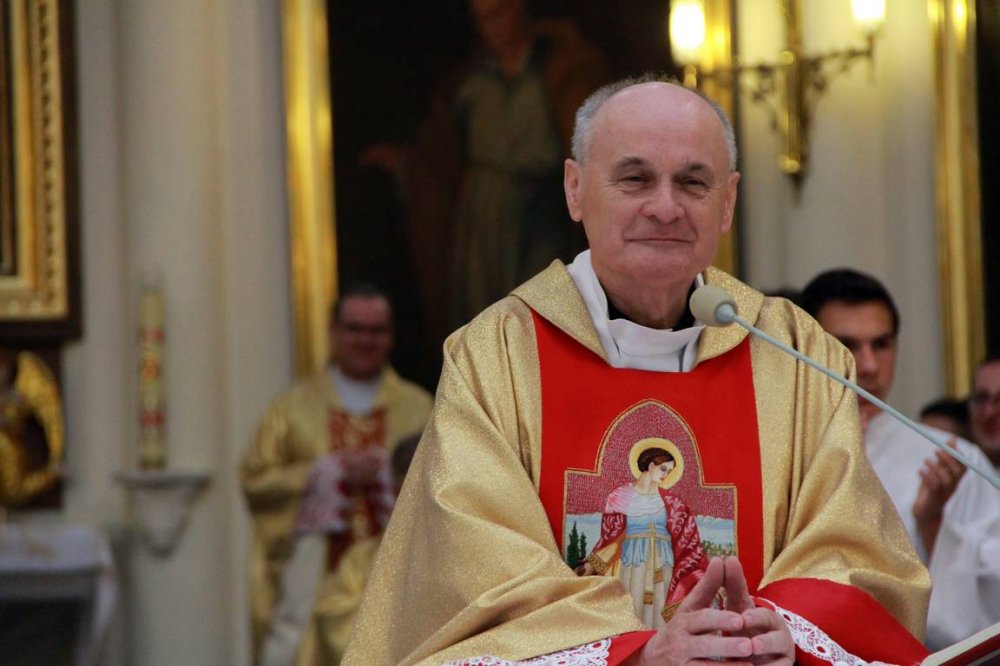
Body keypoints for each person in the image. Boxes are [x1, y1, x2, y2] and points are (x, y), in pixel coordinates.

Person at [343, 77, 929, 665]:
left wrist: (781, 633)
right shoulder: (497, 356)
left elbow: (852, 552)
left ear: (727, 201)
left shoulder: (793, 353)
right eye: (635, 179)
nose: (666, 207)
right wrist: (639, 655)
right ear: (575, 190)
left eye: (693, 182)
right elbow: (476, 575)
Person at [362, 0, 607, 338]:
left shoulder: (559, 67)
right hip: (481, 222)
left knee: (540, 315)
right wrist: (406, 166)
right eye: (482, 20)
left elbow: (590, 142)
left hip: (539, 213)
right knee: (481, 317)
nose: (490, 29)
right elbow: (442, 163)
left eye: (497, 15)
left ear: (518, 9)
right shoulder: (471, 83)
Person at [241, 284, 433, 666]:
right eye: (354, 329)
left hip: (395, 587)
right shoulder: (292, 408)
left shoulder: (418, 407)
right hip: (312, 588)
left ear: (391, 336)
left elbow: (442, 483)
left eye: (376, 330)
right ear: (333, 332)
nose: (365, 340)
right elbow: (255, 480)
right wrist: (319, 474)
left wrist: (389, 474)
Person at [924, 355, 1000, 648]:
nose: (990, 412)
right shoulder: (951, 474)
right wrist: (931, 519)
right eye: (981, 399)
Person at [0, 348, 63, 508]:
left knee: (14, 493)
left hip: (9, 449)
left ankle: (51, 474)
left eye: (2, 369)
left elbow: (47, 415)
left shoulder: (17, 396)